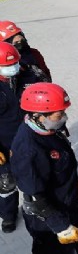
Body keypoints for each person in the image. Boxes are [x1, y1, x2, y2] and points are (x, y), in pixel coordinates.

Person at [11, 82, 78, 253]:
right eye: (59, 114)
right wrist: (62, 227)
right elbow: (36, 199)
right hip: (50, 222)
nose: (64, 118)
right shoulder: (29, 150)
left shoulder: (48, 130)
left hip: (66, 203)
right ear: (39, 115)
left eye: (63, 112)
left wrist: (71, 184)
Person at [0, 42, 22, 233]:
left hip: (25, 140)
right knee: (6, 182)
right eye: (7, 66)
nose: (12, 68)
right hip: (4, 145)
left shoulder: (22, 76)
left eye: (14, 64)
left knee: (34, 175)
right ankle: (8, 216)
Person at [0, 20, 52, 95]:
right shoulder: (3, 61)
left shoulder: (34, 54)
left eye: (20, 39)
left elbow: (46, 75)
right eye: (13, 40)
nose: (19, 40)